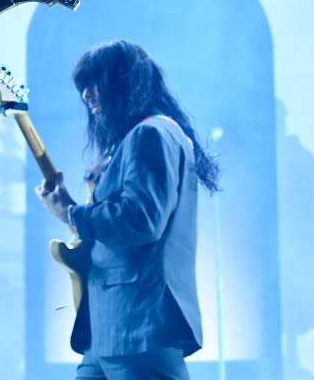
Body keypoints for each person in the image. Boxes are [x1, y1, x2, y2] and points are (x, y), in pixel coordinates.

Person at [37, 40, 219, 380]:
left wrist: (71, 214)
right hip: (111, 330)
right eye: (83, 87)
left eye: (95, 83)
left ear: (124, 82)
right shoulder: (143, 136)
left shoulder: (150, 134)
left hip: (138, 329)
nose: (86, 95)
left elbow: (141, 220)